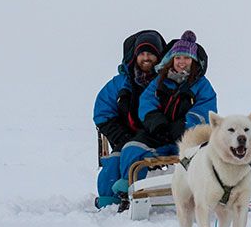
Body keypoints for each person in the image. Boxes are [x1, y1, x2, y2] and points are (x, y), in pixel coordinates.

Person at [103, 31, 218, 207]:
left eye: (186, 58)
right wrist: (156, 122)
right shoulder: (160, 80)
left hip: (188, 138)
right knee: (131, 149)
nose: (181, 62)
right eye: (178, 57)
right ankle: (131, 187)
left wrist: (185, 125)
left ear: (194, 61)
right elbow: (147, 102)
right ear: (171, 59)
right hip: (159, 134)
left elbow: (205, 109)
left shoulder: (201, 84)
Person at [92, 30, 166, 208]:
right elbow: (102, 112)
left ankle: (133, 192)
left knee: (134, 154)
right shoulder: (120, 83)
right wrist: (120, 136)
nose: (146, 58)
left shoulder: (166, 81)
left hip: (158, 136)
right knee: (116, 159)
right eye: (142, 53)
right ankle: (110, 200)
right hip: (126, 136)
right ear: (135, 56)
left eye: (151, 54)